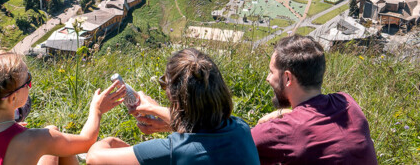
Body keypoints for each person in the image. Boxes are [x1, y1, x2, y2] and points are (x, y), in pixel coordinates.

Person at [85, 48, 258, 165]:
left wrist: (108, 140)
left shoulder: (174, 150)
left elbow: (94, 158)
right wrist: (157, 111)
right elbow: (203, 129)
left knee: (113, 146)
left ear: (175, 97)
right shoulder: (240, 128)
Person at [0, 51, 125, 165]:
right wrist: (97, 110)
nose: (30, 85)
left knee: (52, 132)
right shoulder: (37, 139)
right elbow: (87, 141)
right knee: (109, 142)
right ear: (14, 97)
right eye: (28, 81)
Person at [251, 35, 377, 164]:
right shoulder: (347, 103)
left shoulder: (281, 131)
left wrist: (262, 125)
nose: (268, 78)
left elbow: (237, 144)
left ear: (288, 78)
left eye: (272, 72)